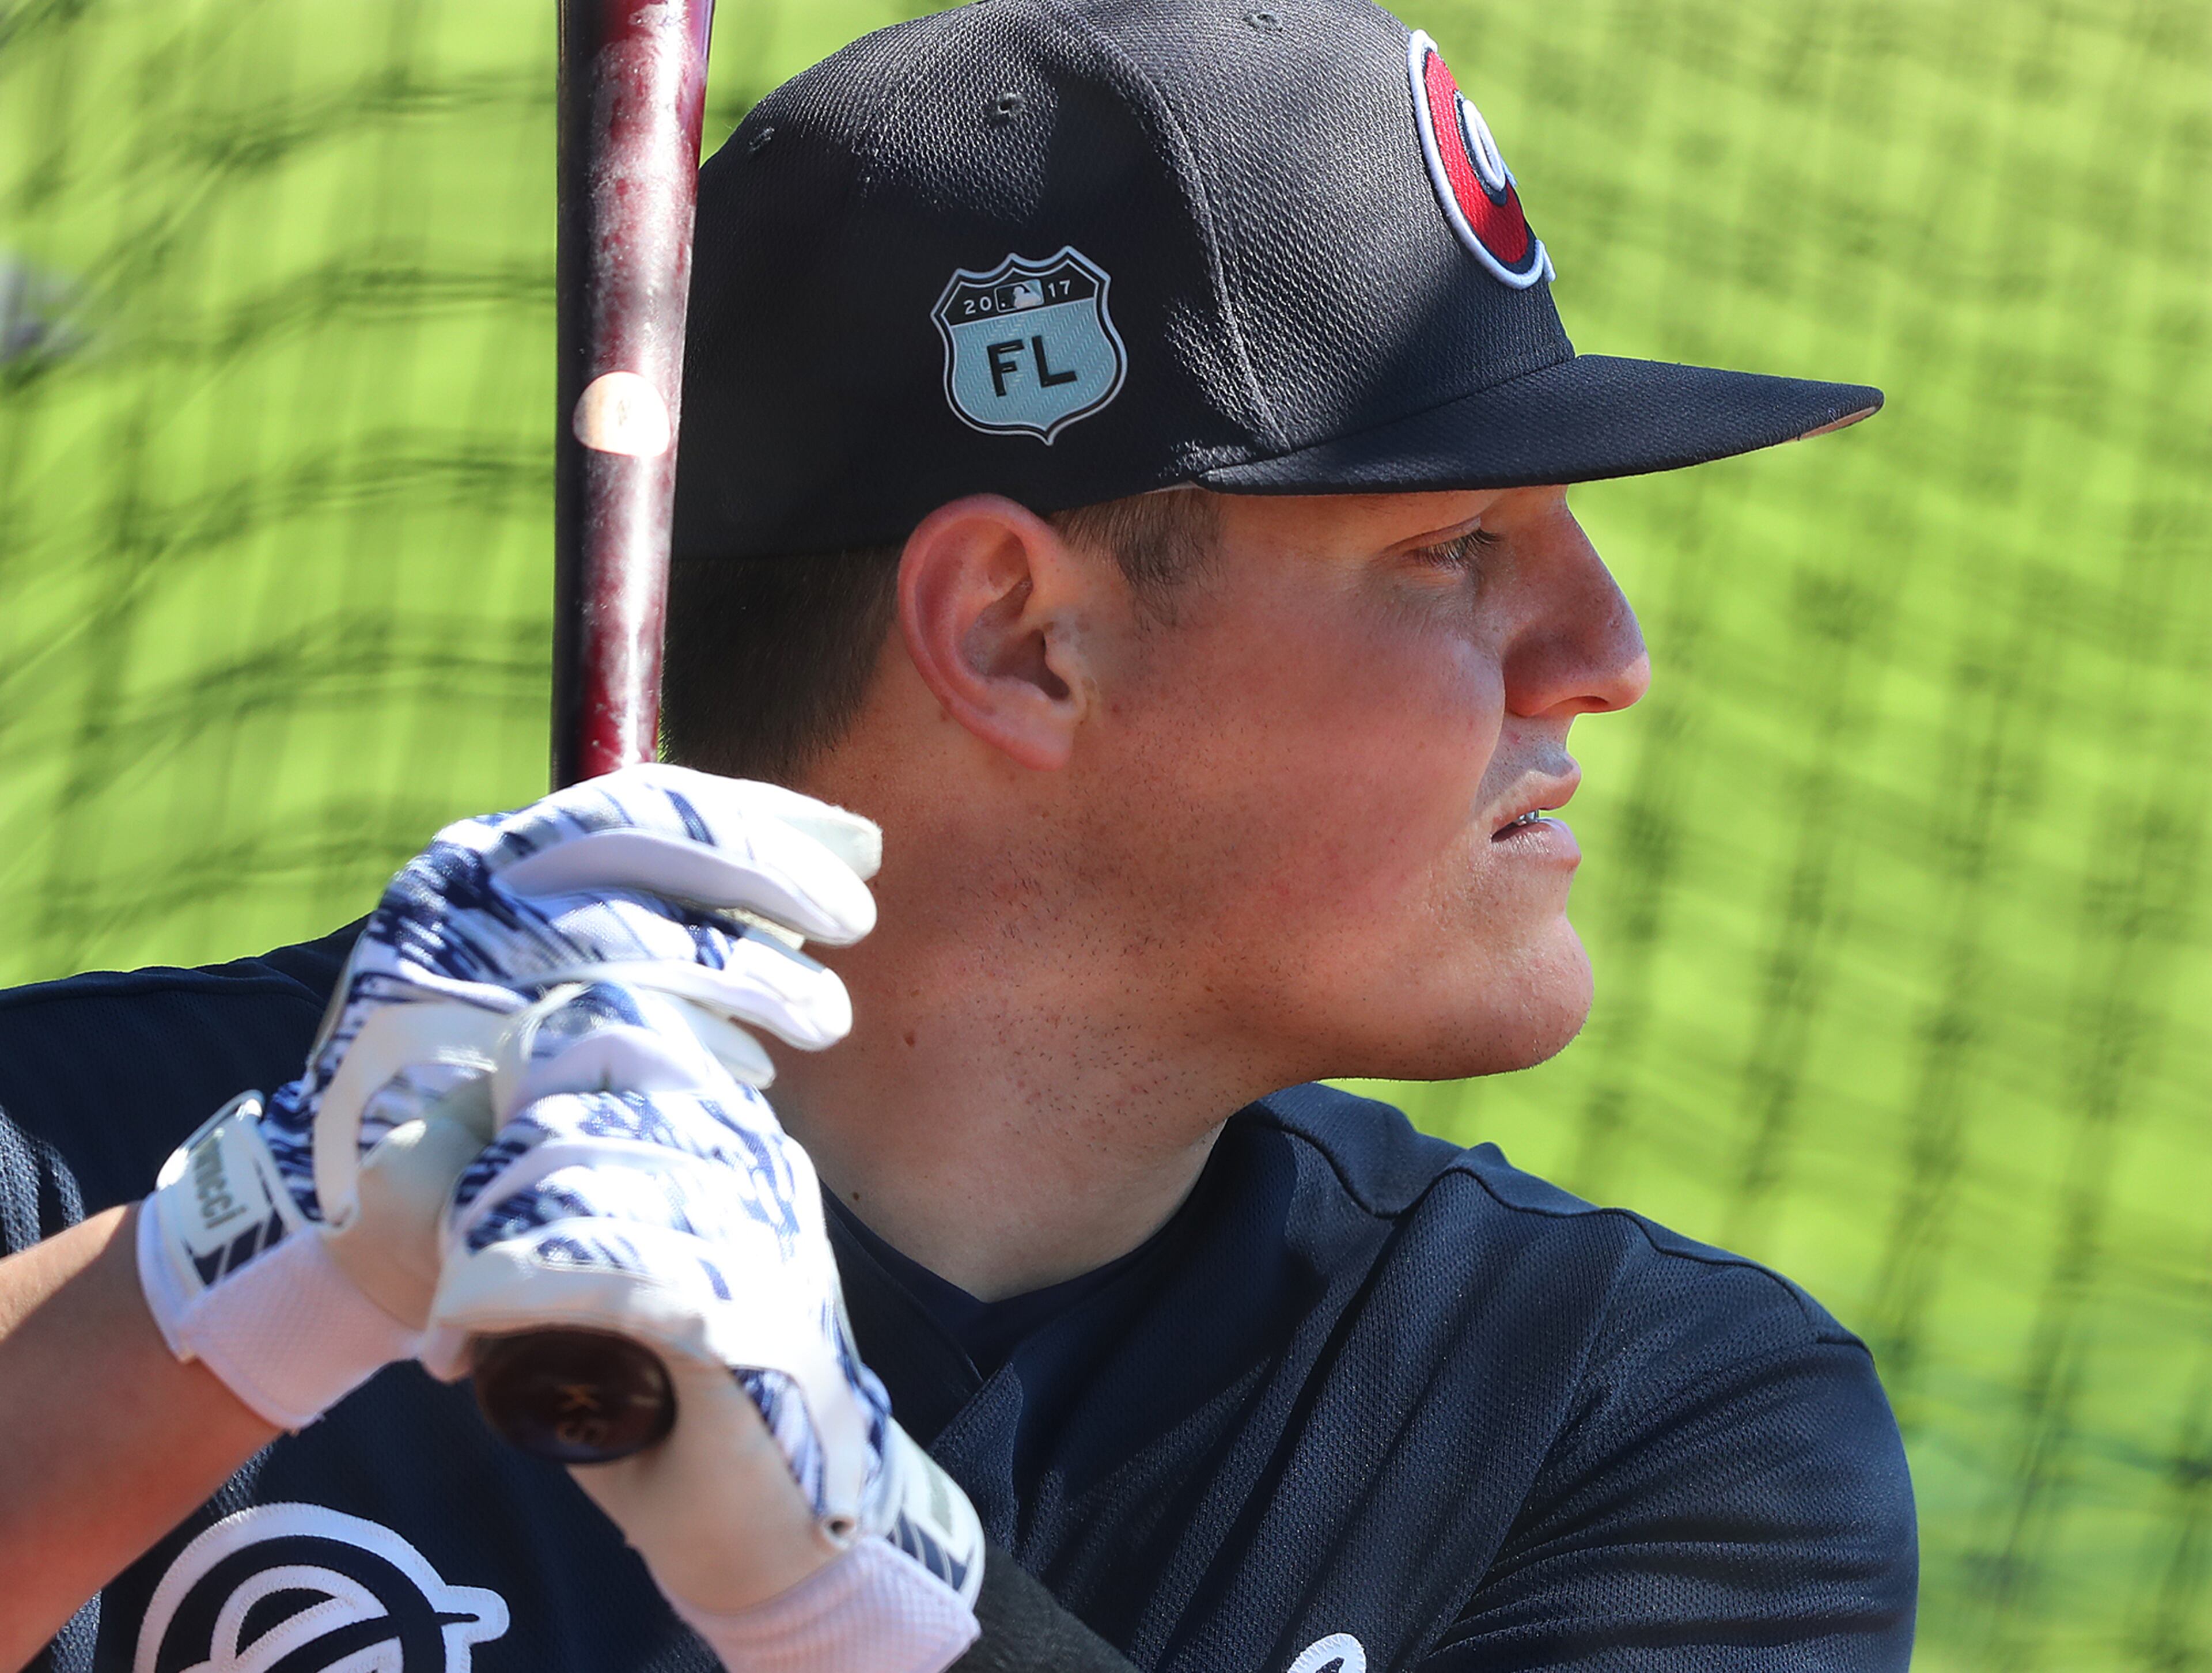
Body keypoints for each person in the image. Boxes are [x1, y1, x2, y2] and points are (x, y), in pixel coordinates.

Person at [0, 0, 1917, 1668]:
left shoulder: (1608, 1420)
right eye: (1457, 549)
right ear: (1017, 636)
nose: (1607, 653)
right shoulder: (58, 1165)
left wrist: (856, 1574)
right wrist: (245, 1264)